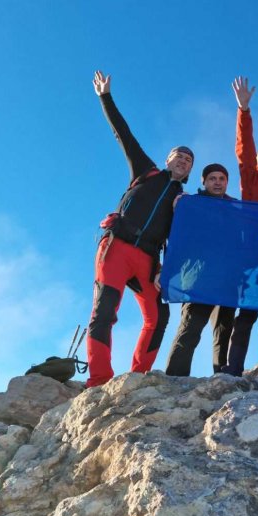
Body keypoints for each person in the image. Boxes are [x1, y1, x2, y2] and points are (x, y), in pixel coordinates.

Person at [86, 70, 193, 388]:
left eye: (189, 160)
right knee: (105, 311)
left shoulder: (184, 200)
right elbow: (123, 134)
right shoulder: (145, 172)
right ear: (168, 159)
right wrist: (105, 97)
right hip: (117, 246)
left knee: (158, 318)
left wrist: (166, 270)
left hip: (148, 259)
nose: (183, 161)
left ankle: (137, 378)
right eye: (179, 156)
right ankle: (99, 379)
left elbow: (181, 241)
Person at [164, 164, 258, 376]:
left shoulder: (236, 208)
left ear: (226, 182)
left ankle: (221, 376)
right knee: (191, 328)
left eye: (222, 178)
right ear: (204, 182)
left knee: (224, 330)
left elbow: (246, 241)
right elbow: (179, 236)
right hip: (200, 278)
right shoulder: (193, 204)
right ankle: (175, 378)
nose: (217, 182)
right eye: (212, 178)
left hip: (228, 279)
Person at [220, 76, 258, 376]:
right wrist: (244, 110)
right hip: (253, 253)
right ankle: (234, 369)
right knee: (247, 315)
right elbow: (244, 148)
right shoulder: (251, 178)